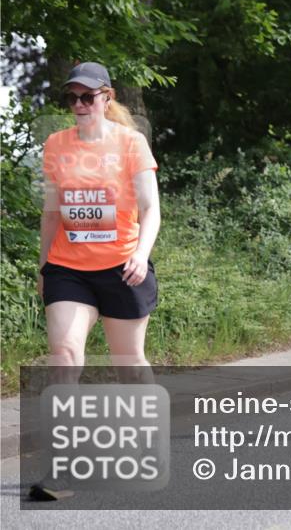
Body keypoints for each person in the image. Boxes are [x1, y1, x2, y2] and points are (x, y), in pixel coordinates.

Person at [34, 62, 161, 501]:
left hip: (122, 267)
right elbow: (52, 212)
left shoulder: (131, 143)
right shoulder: (55, 145)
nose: (79, 105)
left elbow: (150, 210)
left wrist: (141, 255)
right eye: (72, 98)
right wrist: (42, 265)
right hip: (68, 268)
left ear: (107, 98)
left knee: (130, 362)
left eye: (88, 97)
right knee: (66, 354)